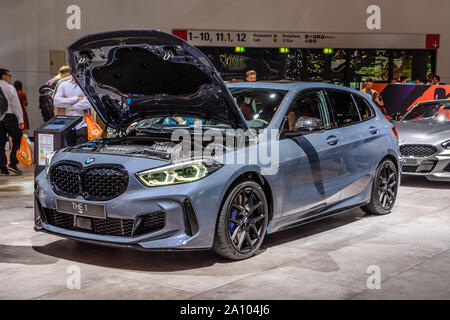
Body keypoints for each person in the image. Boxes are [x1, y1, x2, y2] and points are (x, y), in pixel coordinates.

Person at [53, 77, 93, 145]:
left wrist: (68, 105)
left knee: (81, 151)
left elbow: (89, 103)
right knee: (69, 150)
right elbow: (56, 102)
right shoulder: (63, 84)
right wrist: (76, 99)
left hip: (82, 124)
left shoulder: (87, 85)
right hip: (68, 125)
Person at [0, 68, 24, 175]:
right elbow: (16, 105)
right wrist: (20, 119)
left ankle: (2, 167)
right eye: (9, 76)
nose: (10, 78)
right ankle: (13, 162)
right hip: (10, 117)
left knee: (0, 143)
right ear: (4, 76)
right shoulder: (9, 88)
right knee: (17, 139)